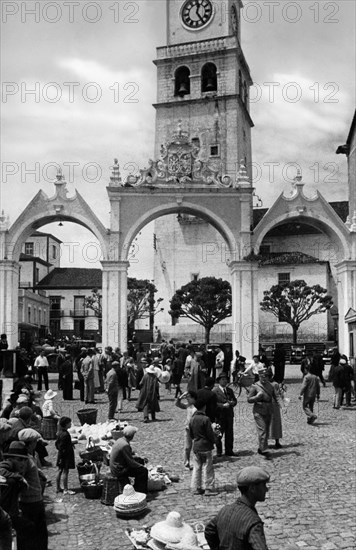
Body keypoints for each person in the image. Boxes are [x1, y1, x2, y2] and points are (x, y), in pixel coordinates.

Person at [205, 466, 270, 550]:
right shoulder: (253, 522)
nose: (266, 489)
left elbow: (209, 531)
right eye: (264, 485)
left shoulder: (225, 510)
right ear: (252, 488)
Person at [17, 429, 48, 550]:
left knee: (39, 534)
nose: (36, 443)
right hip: (30, 501)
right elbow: (20, 478)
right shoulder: (25, 459)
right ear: (30, 443)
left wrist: (39, 473)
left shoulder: (30, 456)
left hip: (36, 499)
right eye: (35, 441)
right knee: (35, 534)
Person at [247, 367, 279, 459]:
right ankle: (264, 449)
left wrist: (282, 405)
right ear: (259, 377)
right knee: (263, 430)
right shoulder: (255, 386)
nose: (264, 379)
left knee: (266, 430)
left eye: (265, 377)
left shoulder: (271, 386)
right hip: (258, 410)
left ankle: (261, 448)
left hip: (268, 410)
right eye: (262, 377)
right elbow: (249, 399)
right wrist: (257, 397)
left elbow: (276, 396)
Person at [189, 399, 217, 496]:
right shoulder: (206, 419)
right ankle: (208, 488)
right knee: (208, 467)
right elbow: (209, 434)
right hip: (206, 446)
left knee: (197, 468)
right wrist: (215, 439)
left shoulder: (192, 419)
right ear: (204, 407)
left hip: (196, 446)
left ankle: (197, 487)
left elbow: (191, 434)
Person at [110, 425, 148, 493]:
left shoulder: (120, 440)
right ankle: (140, 491)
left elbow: (127, 456)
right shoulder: (125, 445)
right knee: (143, 471)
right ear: (132, 436)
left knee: (139, 461)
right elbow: (131, 462)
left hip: (117, 465)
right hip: (119, 470)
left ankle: (137, 486)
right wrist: (140, 466)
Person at [213, 373, 237, 457]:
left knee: (229, 434)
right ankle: (219, 451)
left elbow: (235, 400)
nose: (225, 381)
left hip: (229, 415)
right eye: (223, 379)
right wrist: (222, 406)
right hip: (220, 416)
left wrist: (232, 403)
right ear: (219, 381)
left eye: (226, 379)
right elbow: (213, 404)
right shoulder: (215, 391)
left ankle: (229, 450)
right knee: (218, 434)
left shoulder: (229, 390)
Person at [175, 390, 197, 469]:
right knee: (187, 447)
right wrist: (180, 397)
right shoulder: (188, 405)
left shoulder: (197, 406)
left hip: (196, 429)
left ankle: (195, 462)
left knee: (195, 447)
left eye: (189, 398)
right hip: (188, 428)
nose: (187, 399)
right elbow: (177, 404)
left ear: (194, 398)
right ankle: (186, 461)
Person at [55, 416, 75, 495]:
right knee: (65, 471)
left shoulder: (60, 433)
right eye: (70, 423)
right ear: (66, 424)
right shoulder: (65, 434)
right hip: (65, 455)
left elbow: (57, 444)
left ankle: (58, 488)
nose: (71, 424)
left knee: (59, 470)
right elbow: (62, 446)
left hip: (61, 455)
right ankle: (65, 489)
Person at [266, 370, 284, 447]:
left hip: (274, 406)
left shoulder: (274, 384)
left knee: (275, 423)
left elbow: (277, 395)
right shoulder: (264, 384)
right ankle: (265, 441)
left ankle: (277, 441)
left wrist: (282, 405)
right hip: (266, 405)